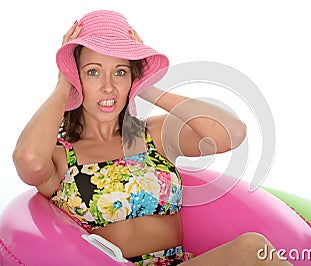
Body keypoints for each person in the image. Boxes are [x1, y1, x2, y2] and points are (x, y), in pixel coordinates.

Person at [12, 10, 291, 265]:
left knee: (255, 250)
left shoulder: (152, 136)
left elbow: (232, 133)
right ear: (77, 79)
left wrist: (148, 86)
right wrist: (64, 84)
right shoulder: (61, 156)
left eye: (120, 72)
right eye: (93, 72)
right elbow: (27, 159)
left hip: (178, 262)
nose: (108, 86)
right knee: (252, 248)